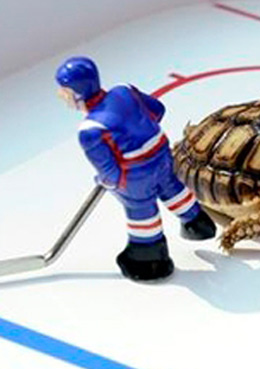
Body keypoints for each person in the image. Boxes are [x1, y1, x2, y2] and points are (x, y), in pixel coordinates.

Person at [55, 56, 216, 281]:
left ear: (75, 92)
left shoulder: (90, 130)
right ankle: (197, 223)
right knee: (171, 187)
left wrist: (110, 184)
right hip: (161, 154)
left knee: (140, 208)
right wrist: (143, 135)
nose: (60, 96)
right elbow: (157, 109)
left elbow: (110, 173)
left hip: (136, 174)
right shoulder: (124, 90)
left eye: (63, 91)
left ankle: (149, 258)